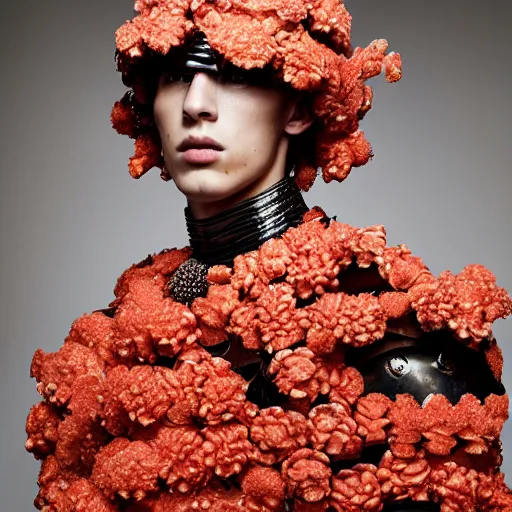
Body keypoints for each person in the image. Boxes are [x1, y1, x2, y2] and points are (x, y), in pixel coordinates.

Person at [25, 1, 512, 511]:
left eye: (235, 74)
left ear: (298, 109)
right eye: (175, 75)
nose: (196, 104)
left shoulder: (397, 340)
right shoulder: (113, 340)